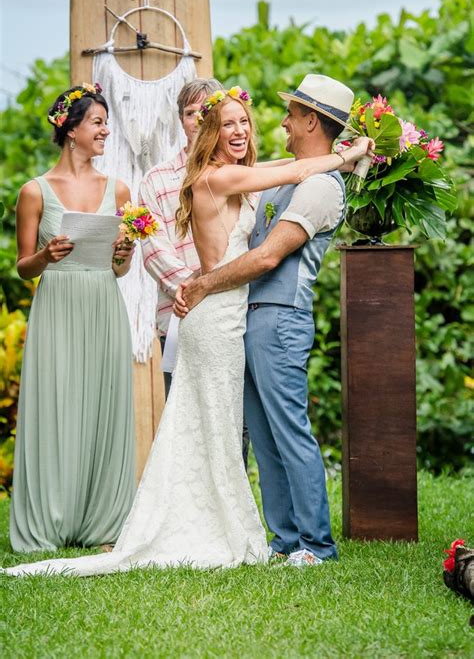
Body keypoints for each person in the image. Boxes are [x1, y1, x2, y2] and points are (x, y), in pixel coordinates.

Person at [2, 83, 370, 577]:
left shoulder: (225, 176)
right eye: (228, 123)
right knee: (218, 426)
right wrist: (353, 154)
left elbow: (283, 174)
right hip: (217, 314)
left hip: (225, 311)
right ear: (210, 132)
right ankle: (229, 529)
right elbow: (294, 171)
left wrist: (339, 159)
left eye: (246, 122)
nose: (241, 130)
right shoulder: (218, 179)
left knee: (215, 425)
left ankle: (250, 529)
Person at [175, 75, 372, 567]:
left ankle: (317, 547)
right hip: (247, 318)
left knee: (289, 431)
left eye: (291, 113)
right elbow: (278, 169)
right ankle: (285, 541)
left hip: (279, 319)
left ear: (311, 121)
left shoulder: (322, 188)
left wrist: (204, 283)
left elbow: (266, 258)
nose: (281, 121)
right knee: (263, 436)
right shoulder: (297, 174)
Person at [9, 84, 136, 553]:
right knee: (58, 405)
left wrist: (124, 252)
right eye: (97, 122)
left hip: (103, 302)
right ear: (71, 130)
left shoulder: (118, 190)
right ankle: (51, 519)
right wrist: (47, 253)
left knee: (103, 404)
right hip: (58, 304)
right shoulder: (34, 191)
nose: (106, 130)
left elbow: (119, 267)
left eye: (105, 122)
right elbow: (24, 268)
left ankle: (103, 523)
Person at [139, 78, 224, 398]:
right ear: (180, 120)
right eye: (191, 113)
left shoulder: (242, 171)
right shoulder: (156, 179)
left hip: (231, 312)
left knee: (234, 423)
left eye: (207, 110)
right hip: (178, 314)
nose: (199, 120)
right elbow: (153, 248)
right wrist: (191, 289)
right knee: (181, 420)